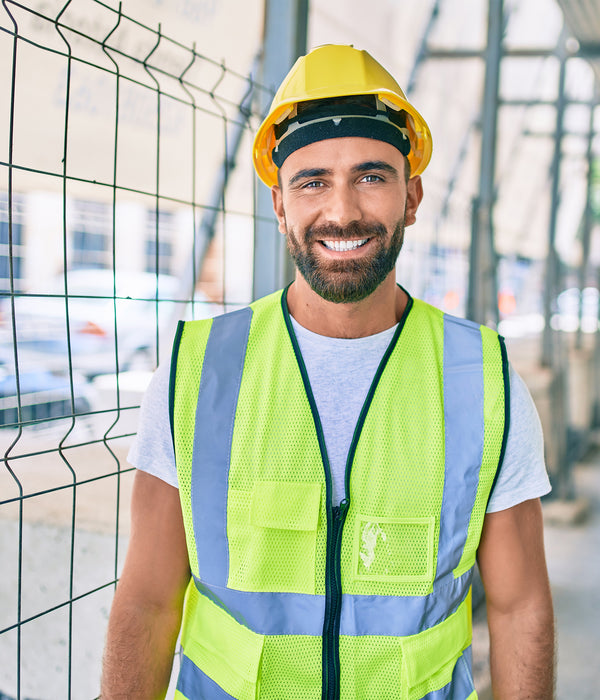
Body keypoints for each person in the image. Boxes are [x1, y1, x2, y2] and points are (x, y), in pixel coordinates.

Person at [101, 44, 554, 699]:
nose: (342, 211)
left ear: (413, 194)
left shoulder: (484, 379)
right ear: (281, 205)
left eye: (371, 175)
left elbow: (520, 609)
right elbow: (147, 600)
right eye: (312, 181)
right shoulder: (197, 372)